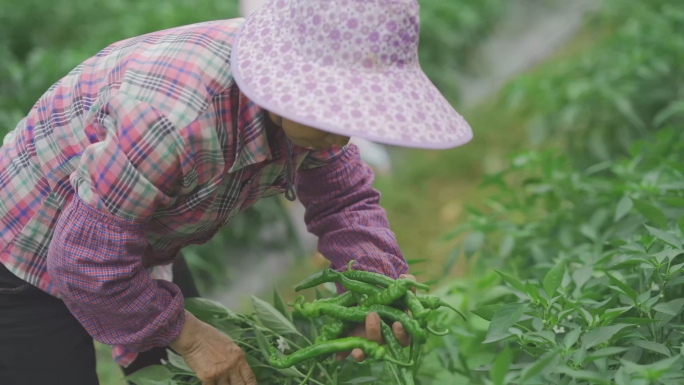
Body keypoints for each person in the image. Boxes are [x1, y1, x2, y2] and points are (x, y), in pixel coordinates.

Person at [0, 0, 473, 384]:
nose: (345, 135)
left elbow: (343, 199)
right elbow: (84, 261)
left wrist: (373, 281)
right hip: (25, 246)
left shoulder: (311, 117)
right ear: (286, 85)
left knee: (177, 375)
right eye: (337, 113)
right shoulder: (174, 122)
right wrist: (191, 337)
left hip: (132, 230)